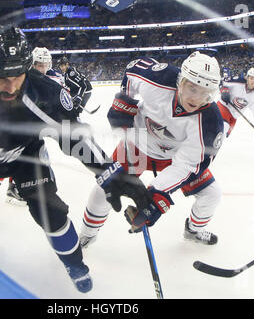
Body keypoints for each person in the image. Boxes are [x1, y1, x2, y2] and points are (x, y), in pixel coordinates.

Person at [0, 26, 153, 293]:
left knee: (52, 213)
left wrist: (112, 174)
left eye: (18, 74)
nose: (11, 86)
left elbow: (75, 139)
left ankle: (75, 265)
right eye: (2, 77)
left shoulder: (45, 94)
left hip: (26, 157)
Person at [79, 52, 224, 248]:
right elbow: (133, 69)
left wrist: (156, 193)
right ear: (181, 81)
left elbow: (187, 164)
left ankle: (193, 230)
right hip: (136, 145)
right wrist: (124, 100)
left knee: (212, 194)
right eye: (192, 88)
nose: (196, 99)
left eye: (205, 93)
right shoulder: (158, 79)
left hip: (173, 159)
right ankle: (87, 234)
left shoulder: (210, 121)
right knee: (102, 190)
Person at [2, 47, 65, 207]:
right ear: (31, 64)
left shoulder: (48, 79)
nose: (42, 69)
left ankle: (15, 188)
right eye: (38, 65)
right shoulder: (20, 79)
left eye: (45, 64)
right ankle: (0, 194)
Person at [218, 67, 254, 139]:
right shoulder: (238, 81)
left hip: (234, 116)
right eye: (251, 78)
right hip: (224, 106)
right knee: (221, 130)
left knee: (223, 136)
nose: (253, 81)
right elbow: (222, 81)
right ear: (247, 77)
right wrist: (224, 90)